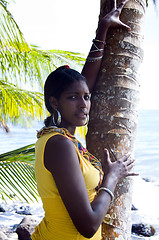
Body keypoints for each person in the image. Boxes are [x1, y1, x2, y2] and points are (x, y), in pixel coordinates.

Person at [30, 1, 137, 239]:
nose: (84, 104)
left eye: (86, 97)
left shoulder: (58, 137)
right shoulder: (59, 145)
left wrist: (103, 30)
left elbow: (83, 83)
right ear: (55, 103)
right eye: (73, 98)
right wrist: (112, 176)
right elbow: (87, 227)